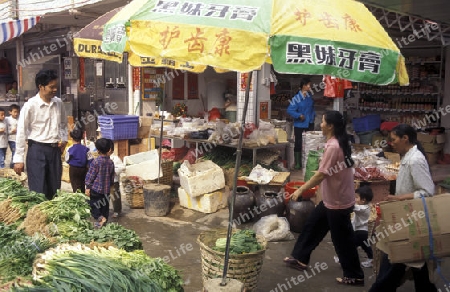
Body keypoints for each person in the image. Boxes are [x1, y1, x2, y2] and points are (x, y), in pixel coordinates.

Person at [283, 110, 364, 286]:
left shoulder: (334, 146)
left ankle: (355, 275)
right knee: (312, 227)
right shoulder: (336, 142)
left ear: (330, 126)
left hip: (338, 203)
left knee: (343, 241)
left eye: (323, 122)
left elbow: (321, 175)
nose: (320, 124)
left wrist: (301, 189)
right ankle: (299, 258)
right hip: (331, 200)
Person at [369, 124, 437, 292]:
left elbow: (427, 192)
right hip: (405, 219)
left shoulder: (415, 160)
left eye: (393, 140)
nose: (391, 143)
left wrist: (398, 198)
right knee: (414, 265)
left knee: (395, 265)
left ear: (405, 138)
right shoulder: (408, 157)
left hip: (411, 220)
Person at [13, 69, 68, 200]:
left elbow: (63, 123)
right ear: (41, 87)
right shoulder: (30, 106)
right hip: (36, 151)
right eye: (51, 87)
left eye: (56, 86)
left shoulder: (58, 103)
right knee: (38, 191)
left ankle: (52, 218)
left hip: (54, 151)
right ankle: (38, 218)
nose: (55, 89)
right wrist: (18, 159)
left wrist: (64, 139)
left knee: (54, 190)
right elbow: (21, 131)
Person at [85, 138, 115, 228]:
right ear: (109, 149)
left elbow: (90, 176)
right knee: (104, 207)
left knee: (93, 206)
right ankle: (103, 222)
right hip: (106, 190)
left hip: (96, 190)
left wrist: (88, 187)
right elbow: (112, 176)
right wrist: (111, 186)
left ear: (98, 150)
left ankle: (100, 219)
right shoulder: (110, 162)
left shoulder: (96, 162)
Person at [287, 77, 316, 169]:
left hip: (310, 123)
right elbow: (290, 110)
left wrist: (313, 117)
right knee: (298, 143)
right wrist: (299, 115)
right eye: (308, 85)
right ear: (304, 86)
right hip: (299, 124)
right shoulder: (296, 98)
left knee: (309, 143)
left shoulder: (309, 96)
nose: (310, 87)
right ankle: (298, 164)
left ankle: (307, 163)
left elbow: (312, 109)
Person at [65, 128, 93, 193]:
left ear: (72, 138)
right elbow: (90, 160)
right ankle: (83, 196)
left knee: (75, 185)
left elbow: (66, 159)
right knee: (82, 184)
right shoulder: (86, 149)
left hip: (73, 169)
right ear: (81, 138)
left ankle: (77, 197)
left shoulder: (69, 149)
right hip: (83, 169)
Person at [107, 140, 125, 218]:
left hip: (114, 181)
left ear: (110, 150)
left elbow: (122, 167)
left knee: (115, 196)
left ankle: (117, 210)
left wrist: (114, 171)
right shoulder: (104, 157)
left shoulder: (115, 158)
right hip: (106, 181)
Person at [5, 104, 19, 168]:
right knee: (15, 152)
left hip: (18, 139)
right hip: (11, 139)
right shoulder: (7, 119)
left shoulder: (20, 119)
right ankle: (12, 166)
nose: (16, 114)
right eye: (15, 112)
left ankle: (13, 165)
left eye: (17, 112)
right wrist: (11, 132)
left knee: (16, 152)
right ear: (10, 112)